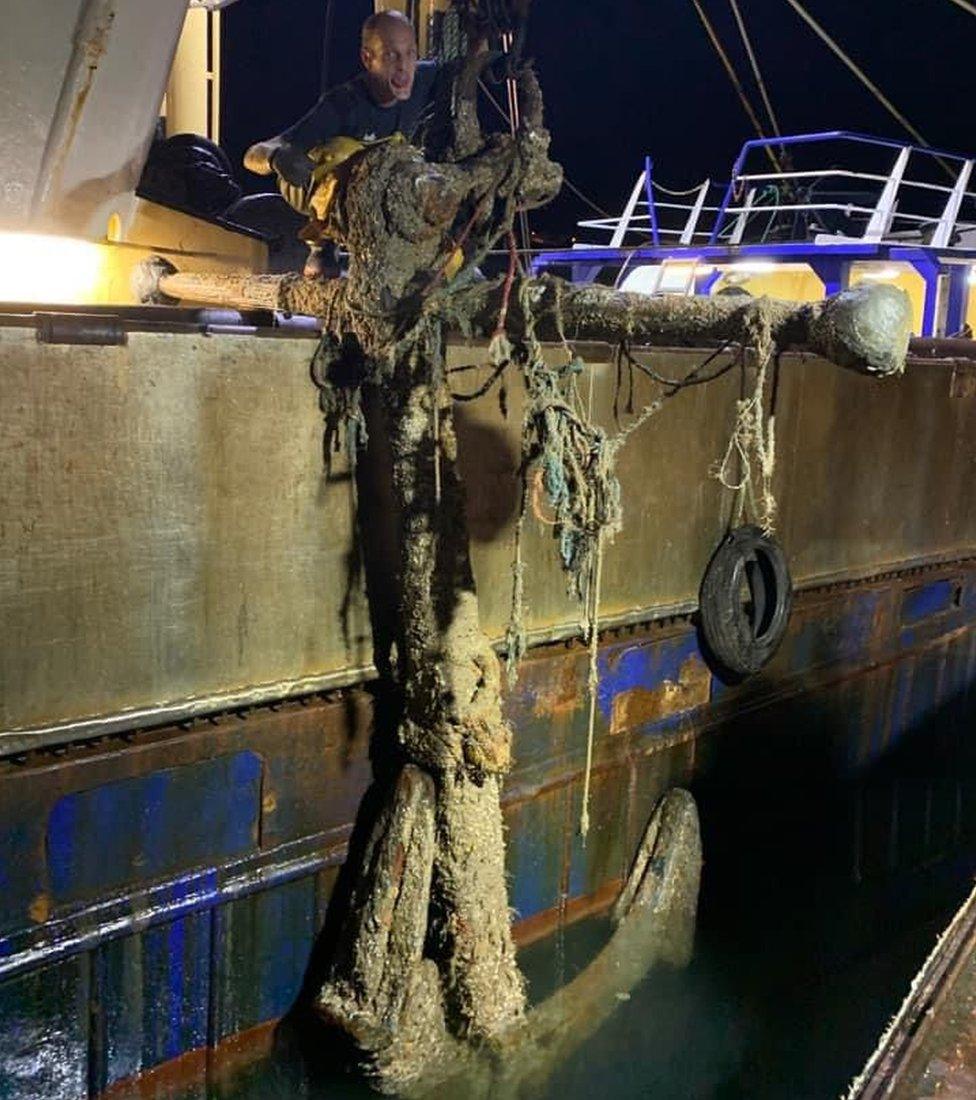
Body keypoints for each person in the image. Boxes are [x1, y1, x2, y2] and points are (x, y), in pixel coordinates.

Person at [244, 11, 444, 276]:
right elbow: (255, 153)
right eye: (391, 55)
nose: (403, 67)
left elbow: (473, 67)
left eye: (410, 54)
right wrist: (276, 158)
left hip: (379, 189)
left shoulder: (421, 79)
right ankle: (322, 245)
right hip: (316, 188)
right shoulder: (342, 106)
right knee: (344, 153)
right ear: (367, 59)